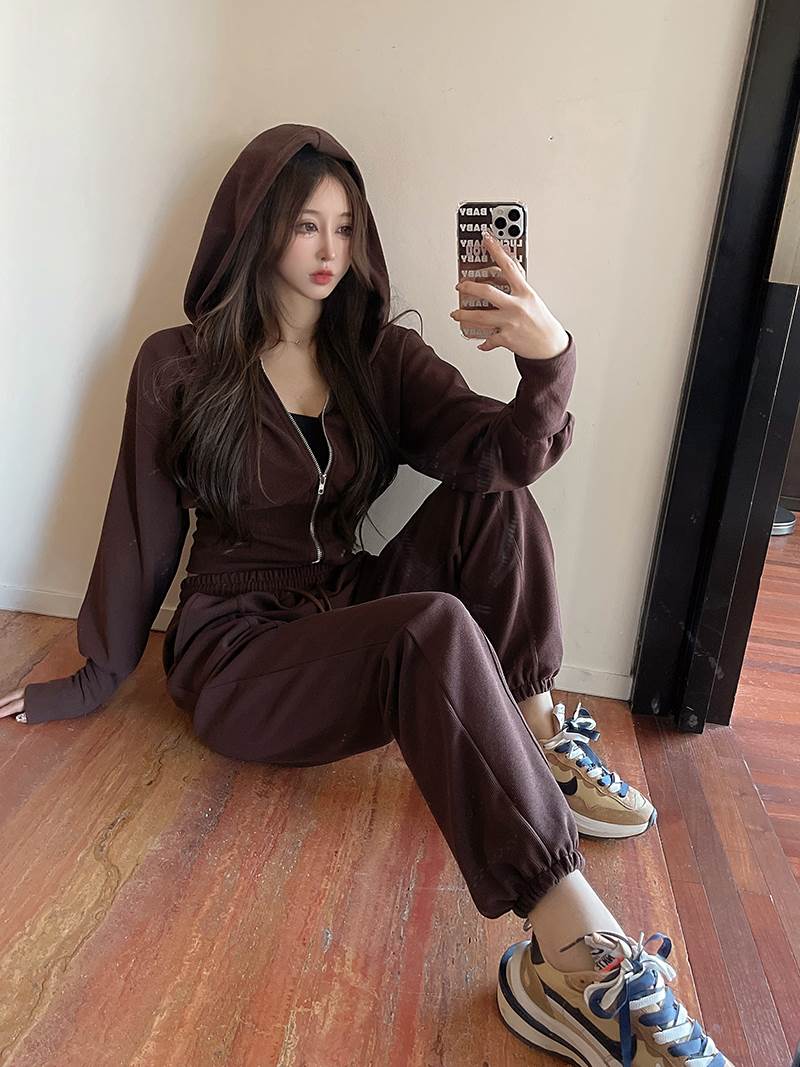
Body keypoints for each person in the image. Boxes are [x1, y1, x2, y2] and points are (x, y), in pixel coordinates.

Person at [0, 124, 732, 1066]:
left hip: (342, 605)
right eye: (306, 224)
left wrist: (547, 358)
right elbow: (139, 531)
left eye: (345, 226)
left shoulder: (376, 358)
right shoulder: (177, 364)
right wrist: (94, 674)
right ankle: (572, 952)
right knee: (430, 627)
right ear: (256, 226)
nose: (330, 249)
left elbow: (504, 454)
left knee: (493, 503)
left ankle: (540, 739)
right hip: (239, 652)